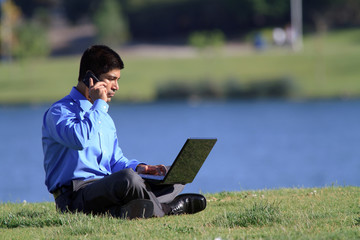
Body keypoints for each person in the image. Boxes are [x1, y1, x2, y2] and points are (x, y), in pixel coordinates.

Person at [42, 45, 206, 219]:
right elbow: (79, 139)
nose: (116, 87)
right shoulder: (59, 112)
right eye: (111, 79)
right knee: (128, 179)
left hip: (108, 189)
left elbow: (115, 162)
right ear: (90, 78)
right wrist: (99, 106)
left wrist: (141, 168)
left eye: (118, 79)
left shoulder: (103, 117)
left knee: (172, 172)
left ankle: (126, 210)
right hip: (75, 196)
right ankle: (167, 209)